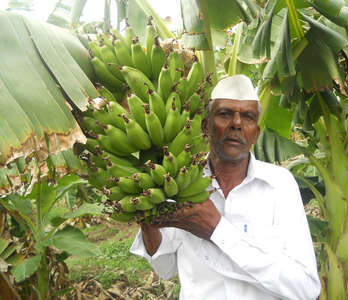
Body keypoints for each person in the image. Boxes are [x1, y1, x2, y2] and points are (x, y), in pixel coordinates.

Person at [130, 74, 321, 299]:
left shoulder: (279, 184)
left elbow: (305, 289)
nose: (237, 124)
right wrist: (146, 214)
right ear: (205, 125)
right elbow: (165, 268)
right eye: (225, 114)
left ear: (256, 135)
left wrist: (216, 230)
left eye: (248, 117)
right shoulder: (180, 181)